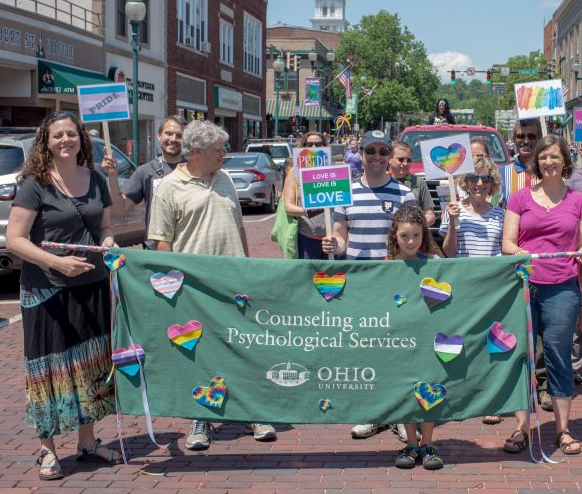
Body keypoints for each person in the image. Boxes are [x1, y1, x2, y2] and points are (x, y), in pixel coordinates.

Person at [147, 120, 276, 450]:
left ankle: (250, 411)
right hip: (195, 287)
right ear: (196, 152)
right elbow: (161, 242)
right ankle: (199, 419)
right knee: (200, 353)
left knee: (241, 347)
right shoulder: (169, 187)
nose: (224, 154)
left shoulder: (225, 180)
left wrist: (247, 268)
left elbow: (238, 226)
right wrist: (174, 285)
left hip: (234, 282)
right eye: (218, 149)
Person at [6, 111, 122, 480]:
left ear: (80, 139)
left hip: (91, 285)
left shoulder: (96, 179)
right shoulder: (35, 184)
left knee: (91, 363)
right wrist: (57, 264)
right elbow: (15, 240)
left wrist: (107, 241)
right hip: (46, 291)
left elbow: (104, 224)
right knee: (49, 369)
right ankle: (47, 449)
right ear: (47, 142)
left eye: (71, 134)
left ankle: (87, 441)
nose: (65, 141)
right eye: (58, 136)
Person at [323, 130, 418, 439]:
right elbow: (340, 236)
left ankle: (403, 414)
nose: (376, 156)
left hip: (395, 286)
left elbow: (414, 241)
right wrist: (332, 244)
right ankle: (374, 412)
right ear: (360, 154)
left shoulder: (405, 194)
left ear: (389, 156)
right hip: (360, 283)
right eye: (370, 151)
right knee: (367, 350)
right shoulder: (343, 192)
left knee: (399, 350)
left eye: (382, 151)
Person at [501, 135, 582, 456]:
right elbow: (507, 243)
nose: (548, 163)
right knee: (521, 356)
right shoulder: (520, 198)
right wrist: (522, 252)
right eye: (543, 158)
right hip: (524, 286)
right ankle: (521, 428)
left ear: (565, 161)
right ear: (536, 162)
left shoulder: (579, 201)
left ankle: (562, 430)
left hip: (563, 288)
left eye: (554, 157)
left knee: (557, 355)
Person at [440, 157, 505, 424]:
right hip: (462, 288)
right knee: (461, 343)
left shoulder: (501, 214)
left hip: (490, 289)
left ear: (492, 184)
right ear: (465, 182)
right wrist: (454, 223)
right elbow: (448, 251)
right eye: (474, 179)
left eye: (485, 179)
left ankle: (489, 401)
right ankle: (460, 396)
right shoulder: (454, 209)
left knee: (489, 346)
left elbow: (505, 252)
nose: (479, 183)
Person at [387, 206, 446, 469]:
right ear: (394, 236)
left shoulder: (433, 263)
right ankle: (411, 443)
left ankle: (428, 443)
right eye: (405, 236)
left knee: (428, 389)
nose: (411, 242)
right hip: (399, 341)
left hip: (427, 338)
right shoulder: (385, 267)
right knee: (406, 391)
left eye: (417, 236)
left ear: (424, 235)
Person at [105, 116, 186, 248]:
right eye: (168, 134)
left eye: (179, 135)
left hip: (188, 250)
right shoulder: (145, 172)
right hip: (155, 251)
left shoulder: (196, 169)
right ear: (159, 136)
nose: (173, 139)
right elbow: (120, 209)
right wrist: (113, 176)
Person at [282, 131, 331, 259]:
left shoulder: (332, 171)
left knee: (332, 278)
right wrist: (308, 210)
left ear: (324, 146)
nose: (314, 148)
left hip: (331, 239)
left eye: (318, 144)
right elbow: (288, 206)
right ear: (304, 146)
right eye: (309, 144)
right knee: (309, 278)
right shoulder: (294, 173)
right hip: (307, 238)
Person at [389, 141, 436, 227]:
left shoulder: (418, 182)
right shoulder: (383, 180)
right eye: (401, 159)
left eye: (409, 160)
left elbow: (430, 216)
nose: (405, 163)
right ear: (390, 159)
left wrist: (415, 228)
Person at [500, 119, 540, 205]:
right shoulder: (501, 173)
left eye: (531, 136)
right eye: (521, 136)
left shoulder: (547, 173)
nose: (526, 141)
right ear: (514, 139)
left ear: (539, 139)